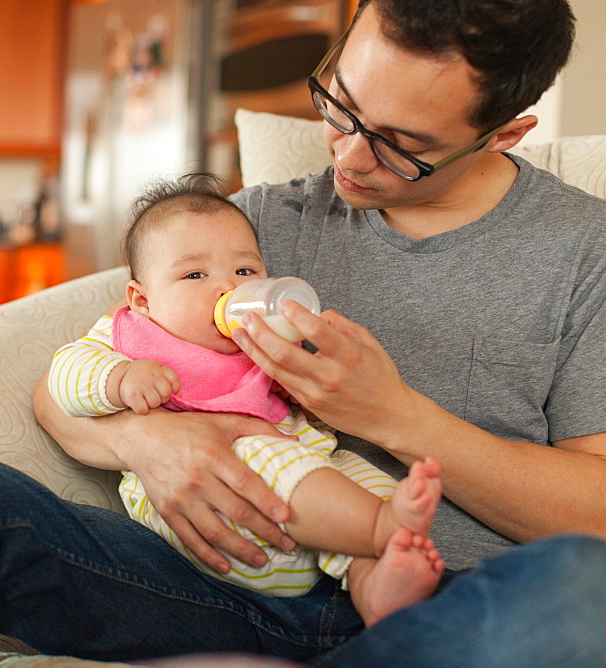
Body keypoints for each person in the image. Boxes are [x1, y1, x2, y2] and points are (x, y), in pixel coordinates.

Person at [0, 1, 606, 665]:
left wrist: (393, 414)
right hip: (223, 586)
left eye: (401, 145)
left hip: (452, 601)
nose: (349, 157)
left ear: (504, 133)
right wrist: (149, 443)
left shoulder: (585, 255)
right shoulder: (251, 228)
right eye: (341, 105)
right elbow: (67, 386)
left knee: (584, 586)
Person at [48, 172, 445, 627]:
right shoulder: (132, 338)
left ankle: (373, 580)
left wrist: (312, 382)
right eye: (195, 274)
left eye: (245, 271)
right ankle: (379, 527)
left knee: (356, 470)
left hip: (308, 509)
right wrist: (119, 378)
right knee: (259, 452)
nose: (228, 289)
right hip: (217, 520)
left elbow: (310, 413)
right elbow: (65, 374)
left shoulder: (262, 342)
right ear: (142, 300)